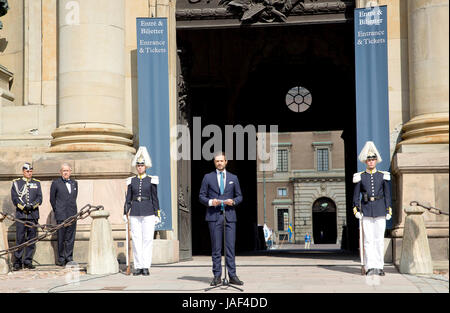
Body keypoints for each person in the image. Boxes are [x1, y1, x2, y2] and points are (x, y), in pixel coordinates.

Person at [199, 152, 244, 286]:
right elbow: (201, 196)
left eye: (221, 161)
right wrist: (212, 202)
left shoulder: (233, 178)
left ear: (226, 162)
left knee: (230, 248)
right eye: (217, 161)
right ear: (214, 162)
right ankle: (217, 276)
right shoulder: (207, 177)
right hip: (214, 216)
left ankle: (232, 275)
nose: (219, 163)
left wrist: (233, 202)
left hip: (229, 216)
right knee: (216, 248)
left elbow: (240, 196)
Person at [353, 141, 392, 276]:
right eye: (369, 160)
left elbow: (387, 194)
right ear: (366, 161)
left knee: (379, 240)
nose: (371, 162)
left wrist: (388, 210)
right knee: (368, 240)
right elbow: (355, 196)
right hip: (366, 211)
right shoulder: (360, 176)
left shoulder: (383, 175)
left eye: (373, 159)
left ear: (376, 161)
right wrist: (357, 210)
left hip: (380, 210)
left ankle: (379, 266)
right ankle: (370, 266)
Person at [123, 146, 161, 276]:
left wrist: (157, 213)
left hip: (148, 211)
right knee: (137, 240)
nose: (140, 167)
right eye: (138, 165)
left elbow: (155, 198)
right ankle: (138, 266)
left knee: (147, 240)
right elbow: (128, 199)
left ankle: (146, 266)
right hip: (135, 212)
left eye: (142, 165)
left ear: (146, 167)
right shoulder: (131, 181)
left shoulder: (151, 180)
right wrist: (125, 212)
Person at [10, 162, 42, 270]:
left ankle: (28, 261)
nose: (29, 173)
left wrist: (32, 206)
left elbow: (39, 198)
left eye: (31, 171)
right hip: (21, 215)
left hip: (33, 215)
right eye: (27, 171)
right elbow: (14, 198)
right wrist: (23, 206)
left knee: (31, 239)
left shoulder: (37, 183)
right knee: (20, 239)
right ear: (23, 171)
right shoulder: (16, 183)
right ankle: (17, 262)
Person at [50, 163, 78, 266]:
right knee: (61, 237)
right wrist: (57, 210)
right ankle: (61, 258)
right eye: (64, 171)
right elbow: (52, 199)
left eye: (67, 170)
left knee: (70, 237)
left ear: (70, 172)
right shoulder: (56, 183)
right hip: (61, 214)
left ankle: (69, 257)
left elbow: (74, 198)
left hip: (72, 214)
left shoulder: (75, 183)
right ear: (61, 172)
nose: (66, 172)